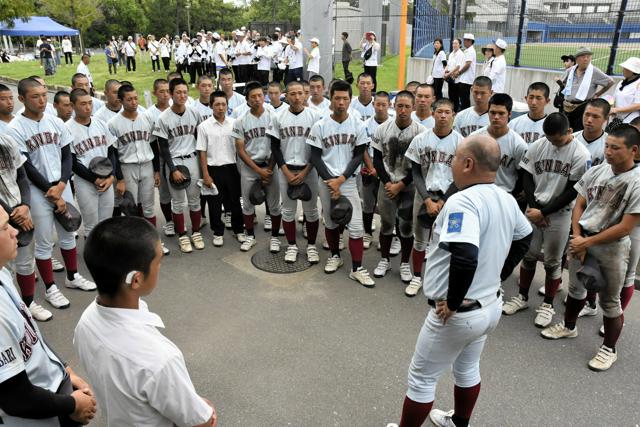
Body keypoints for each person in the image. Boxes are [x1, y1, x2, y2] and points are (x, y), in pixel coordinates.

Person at [398, 134, 532, 427]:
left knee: (421, 379)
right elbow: (525, 237)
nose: (453, 165)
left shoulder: (462, 201)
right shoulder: (505, 198)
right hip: (489, 306)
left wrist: (454, 303)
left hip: (459, 312)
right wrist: (501, 273)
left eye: (456, 159)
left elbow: (466, 255)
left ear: (468, 163)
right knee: (468, 367)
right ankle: (458, 423)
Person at [74, 216, 217, 426]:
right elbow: (201, 421)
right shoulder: (159, 360)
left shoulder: (86, 322)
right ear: (136, 279)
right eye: (158, 261)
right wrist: (205, 408)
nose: (160, 267)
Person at [540, 124, 640, 372]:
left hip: (612, 247)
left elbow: (626, 226)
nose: (608, 151)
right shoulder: (597, 171)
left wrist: (587, 242)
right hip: (583, 238)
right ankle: (569, 326)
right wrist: (578, 236)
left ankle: (609, 349)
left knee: (609, 301)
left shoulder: (636, 182)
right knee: (575, 289)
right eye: (607, 146)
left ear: (633, 150)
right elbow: (580, 203)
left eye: (615, 148)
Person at [0, 203, 98, 425]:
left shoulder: (2, 272)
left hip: (53, 392)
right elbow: (16, 398)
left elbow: (30, 332)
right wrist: (73, 405)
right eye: (5, 227)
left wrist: (64, 369)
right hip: (37, 415)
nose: (15, 231)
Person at [7, 78, 97, 312]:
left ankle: (72, 276)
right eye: (35, 96)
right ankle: (49, 288)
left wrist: (62, 184)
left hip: (61, 185)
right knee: (45, 241)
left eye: (44, 95)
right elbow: (24, 167)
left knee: (69, 231)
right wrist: (52, 190)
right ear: (22, 99)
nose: (42, 100)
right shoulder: (15, 128)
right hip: (37, 192)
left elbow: (67, 154)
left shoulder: (55, 122)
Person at [502, 112, 591, 328]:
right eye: (549, 138)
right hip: (535, 210)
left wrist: (545, 212)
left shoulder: (580, 153)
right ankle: (522, 297)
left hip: (559, 213)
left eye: (556, 138)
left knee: (552, 261)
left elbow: (574, 190)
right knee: (529, 255)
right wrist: (534, 207)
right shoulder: (540, 144)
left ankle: (548, 305)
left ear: (569, 132)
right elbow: (526, 176)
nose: (552, 142)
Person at [307, 79, 375, 286]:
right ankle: (335, 255)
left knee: (355, 227)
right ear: (330, 99)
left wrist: (341, 180)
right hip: (326, 181)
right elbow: (315, 156)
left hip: (347, 181)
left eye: (345, 98)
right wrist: (330, 181)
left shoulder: (358, 124)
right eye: (337, 98)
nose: (341, 103)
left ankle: (357, 268)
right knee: (330, 221)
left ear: (349, 99)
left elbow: (358, 155)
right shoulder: (320, 125)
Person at [404, 98, 463, 297]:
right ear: (433, 113)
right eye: (439, 112)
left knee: (447, 242)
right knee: (419, 240)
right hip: (424, 195)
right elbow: (416, 172)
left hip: (451, 198)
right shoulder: (421, 139)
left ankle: (439, 280)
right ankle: (417, 276)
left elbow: (460, 176)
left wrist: (444, 200)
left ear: (453, 115)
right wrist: (427, 200)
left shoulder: (461, 143)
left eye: (448, 112)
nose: (443, 116)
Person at [371, 91, 425, 286]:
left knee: (406, 227)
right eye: (399, 106)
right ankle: (384, 259)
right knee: (386, 224)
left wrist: (401, 185)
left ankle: (404, 263)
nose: (403, 110)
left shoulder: (420, 132)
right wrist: (387, 183)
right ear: (394, 106)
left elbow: (419, 165)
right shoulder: (383, 129)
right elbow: (377, 159)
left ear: (413, 108)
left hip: (409, 186)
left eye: (407, 107)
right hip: (387, 184)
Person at [268, 80, 321, 263]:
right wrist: (285, 171)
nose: (297, 97)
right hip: (286, 169)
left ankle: (311, 246)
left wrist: (306, 172)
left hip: (309, 169)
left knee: (311, 211)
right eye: (293, 94)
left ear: (305, 95)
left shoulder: (315, 117)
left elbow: (317, 149)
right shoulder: (278, 117)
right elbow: (275, 147)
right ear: (286, 95)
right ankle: (291, 246)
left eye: (300, 93)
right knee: (288, 211)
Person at [154, 78, 204, 253]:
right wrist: (172, 169)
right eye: (178, 92)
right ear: (170, 94)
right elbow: (164, 147)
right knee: (177, 202)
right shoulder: (163, 118)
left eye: (184, 92)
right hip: (174, 161)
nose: (182, 95)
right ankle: (182, 234)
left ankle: (196, 232)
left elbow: (200, 140)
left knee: (194, 199)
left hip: (193, 159)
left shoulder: (194, 113)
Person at [232, 81, 282, 252]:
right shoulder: (241, 120)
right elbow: (240, 150)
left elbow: (277, 145)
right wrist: (259, 170)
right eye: (253, 96)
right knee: (247, 204)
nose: (257, 99)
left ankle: (275, 237)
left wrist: (268, 168)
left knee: (274, 204)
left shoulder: (273, 116)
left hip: (270, 165)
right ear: (247, 99)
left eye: (260, 95)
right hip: (250, 167)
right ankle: (250, 236)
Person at [197, 90, 245, 247]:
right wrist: (205, 174)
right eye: (217, 104)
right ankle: (218, 232)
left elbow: (240, 149)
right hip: (213, 169)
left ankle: (239, 230)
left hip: (232, 168)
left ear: (227, 106)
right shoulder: (204, 126)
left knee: (235, 201)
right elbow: (202, 152)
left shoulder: (234, 124)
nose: (220, 107)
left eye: (223, 104)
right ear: (211, 106)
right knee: (214, 203)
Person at [67, 88, 116, 235]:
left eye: (90, 103)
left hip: (107, 179)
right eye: (83, 104)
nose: (88, 107)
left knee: (106, 223)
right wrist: (94, 179)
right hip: (85, 182)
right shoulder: (67, 128)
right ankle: (94, 257)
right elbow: (73, 162)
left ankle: (106, 256)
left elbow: (111, 152)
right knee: (91, 226)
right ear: (72, 105)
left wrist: (111, 176)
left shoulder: (100, 123)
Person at [470, 94, 527, 194]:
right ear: (488, 113)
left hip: (504, 194)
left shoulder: (518, 144)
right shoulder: (474, 138)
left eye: (501, 113)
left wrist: (512, 196)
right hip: (477, 193)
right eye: (493, 112)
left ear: (509, 114)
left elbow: (522, 175)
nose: (496, 117)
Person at [361, 91, 392, 249]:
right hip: (370, 166)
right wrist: (371, 167)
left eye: (383, 104)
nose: (380, 108)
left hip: (388, 168)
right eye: (377, 104)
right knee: (368, 204)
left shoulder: (393, 125)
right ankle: (367, 233)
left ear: (389, 105)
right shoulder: (365, 125)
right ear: (373, 105)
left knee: (386, 205)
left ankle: (385, 235)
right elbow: (363, 148)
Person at [560, 46, 614, 132]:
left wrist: (597, 94)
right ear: (577, 59)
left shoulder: (594, 72)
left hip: (583, 107)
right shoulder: (570, 70)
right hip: (567, 107)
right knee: (564, 131)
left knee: (578, 133)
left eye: (588, 56)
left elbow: (610, 82)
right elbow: (562, 81)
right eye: (583, 56)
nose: (586, 59)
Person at [574, 98, 610, 166]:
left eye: (595, 116)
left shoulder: (609, 145)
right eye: (587, 114)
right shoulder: (572, 139)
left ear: (606, 118)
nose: (589, 120)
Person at [610, 57, 640, 124]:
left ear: (633, 71)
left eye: (626, 68)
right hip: (617, 120)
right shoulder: (621, 83)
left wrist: (616, 110)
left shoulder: (638, 84)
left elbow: (638, 105)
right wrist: (611, 106)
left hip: (631, 122)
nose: (623, 70)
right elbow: (612, 98)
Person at [456, 34, 477, 111]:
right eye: (464, 39)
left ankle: (465, 113)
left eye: (466, 40)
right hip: (464, 78)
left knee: (464, 99)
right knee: (463, 98)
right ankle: (464, 112)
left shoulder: (471, 51)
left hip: (467, 79)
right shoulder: (467, 50)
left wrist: (459, 73)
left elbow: (468, 64)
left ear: (470, 41)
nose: (464, 41)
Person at [444, 38, 464, 112]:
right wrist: (445, 71)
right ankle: (451, 110)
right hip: (450, 78)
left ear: (460, 45)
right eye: (453, 43)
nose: (454, 45)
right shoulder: (451, 53)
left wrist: (448, 74)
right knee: (450, 94)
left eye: (456, 43)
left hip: (456, 78)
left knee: (455, 96)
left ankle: (455, 111)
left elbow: (458, 66)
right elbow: (448, 64)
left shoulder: (460, 54)